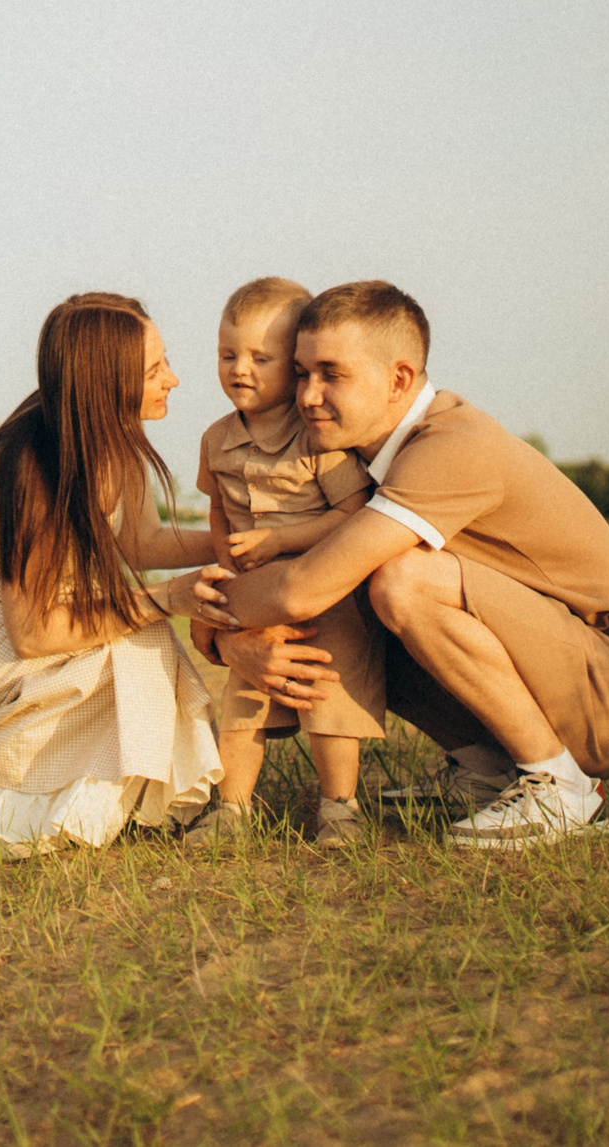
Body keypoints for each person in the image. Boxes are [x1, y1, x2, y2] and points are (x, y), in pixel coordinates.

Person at [192, 281, 609, 851]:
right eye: (301, 373)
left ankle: (558, 786)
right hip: (568, 668)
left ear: (399, 379)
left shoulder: (451, 445)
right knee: (357, 595)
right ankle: (489, 768)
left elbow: (302, 590)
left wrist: (206, 622)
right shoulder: (359, 458)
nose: (307, 396)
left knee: (401, 580)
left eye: (331, 374)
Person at [0, 292, 260, 857]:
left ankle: (81, 806)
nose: (174, 379)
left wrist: (244, 539)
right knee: (132, 635)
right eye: (154, 370)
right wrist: (169, 598)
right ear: (106, 382)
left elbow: (141, 543)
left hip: (5, 616)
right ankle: (1, 815)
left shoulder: (109, 435)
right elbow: (34, 634)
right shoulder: (37, 463)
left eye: (165, 361)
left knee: (133, 627)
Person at [188, 276, 381, 847]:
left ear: (294, 365)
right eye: (227, 355)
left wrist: (280, 540)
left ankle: (339, 808)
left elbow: (353, 512)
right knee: (244, 699)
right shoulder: (216, 439)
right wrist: (226, 561)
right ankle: (232, 811)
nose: (240, 370)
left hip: (327, 591)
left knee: (328, 696)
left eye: (260, 358)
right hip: (256, 596)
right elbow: (218, 509)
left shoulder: (317, 436)